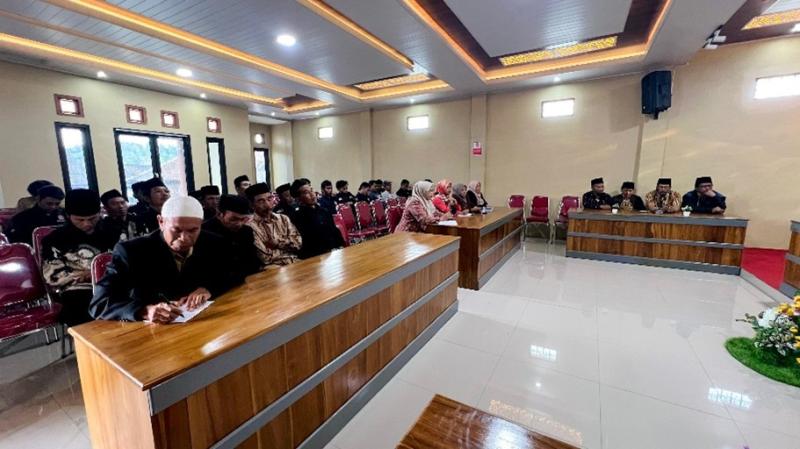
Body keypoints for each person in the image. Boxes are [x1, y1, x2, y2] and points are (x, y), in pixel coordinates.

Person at [90, 196, 241, 323]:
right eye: (176, 230)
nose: (184, 238)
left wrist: (208, 288)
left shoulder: (214, 242)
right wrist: (145, 311)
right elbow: (99, 303)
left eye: (193, 230)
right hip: (150, 330)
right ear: (161, 222)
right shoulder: (132, 251)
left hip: (201, 321)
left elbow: (236, 272)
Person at [41, 189, 116, 326]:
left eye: (92, 218)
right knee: (79, 306)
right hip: (78, 289)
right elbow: (53, 276)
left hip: (114, 281)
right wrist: (89, 276)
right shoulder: (55, 239)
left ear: (100, 213)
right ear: (68, 216)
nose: (87, 224)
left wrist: (99, 273)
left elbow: (128, 261)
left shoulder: (112, 231)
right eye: (80, 220)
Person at [202, 194, 261, 275]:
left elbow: (253, 261)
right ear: (219, 214)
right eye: (234, 219)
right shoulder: (204, 233)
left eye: (243, 219)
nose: (239, 224)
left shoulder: (246, 231)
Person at [246, 183, 302, 267]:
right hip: (272, 268)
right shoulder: (249, 226)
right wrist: (287, 247)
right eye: (261, 201)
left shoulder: (283, 219)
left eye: (269, 199)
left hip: (294, 262)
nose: (267, 205)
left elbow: (298, 244)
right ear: (252, 205)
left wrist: (277, 244)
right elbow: (265, 258)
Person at [289, 179, 344, 259]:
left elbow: (334, 231)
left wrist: (340, 247)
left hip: (333, 254)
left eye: (311, 190)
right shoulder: (297, 217)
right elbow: (307, 242)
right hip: (315, 257)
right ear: (298, 199)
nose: (312, 194)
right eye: (306, 192)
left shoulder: (324, 211)